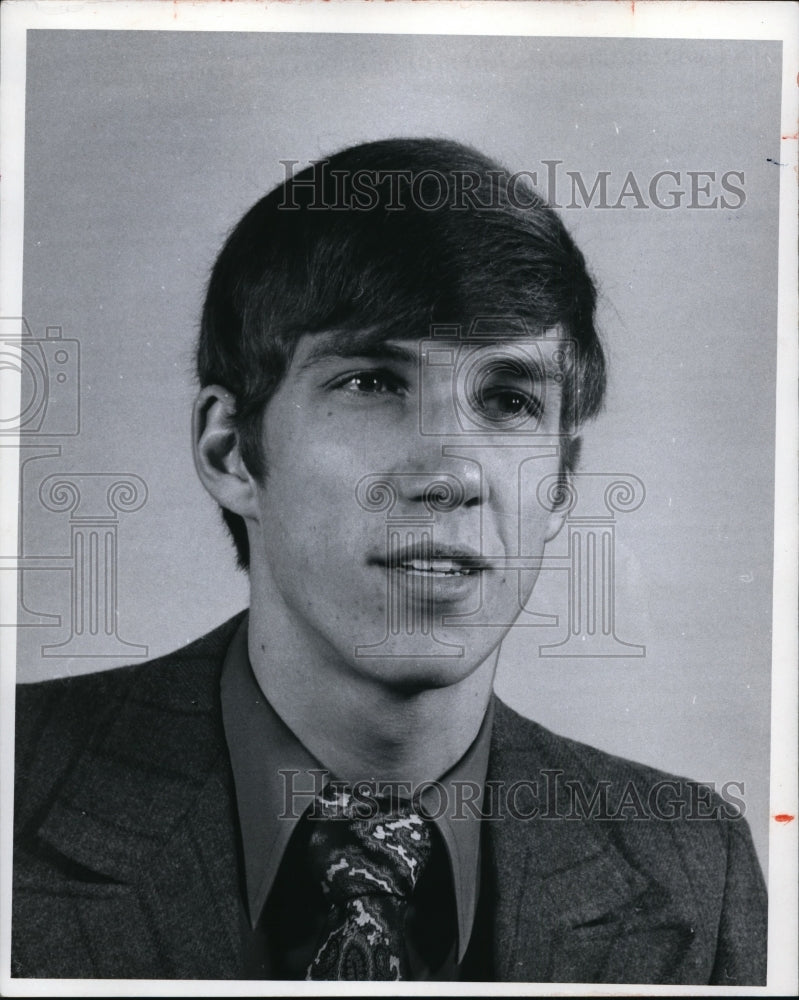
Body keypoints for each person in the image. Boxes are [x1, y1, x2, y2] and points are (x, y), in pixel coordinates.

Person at [12, 138, 767, 984]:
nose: (448, 474)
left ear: (559, 485)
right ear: (231, 453)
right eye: (372, 383)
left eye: (507, 400)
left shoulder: (697, 871)